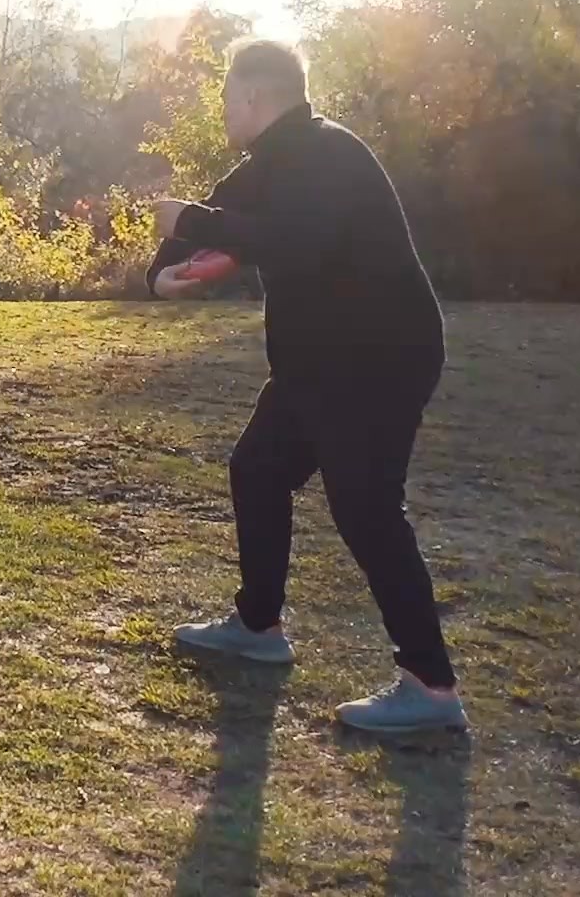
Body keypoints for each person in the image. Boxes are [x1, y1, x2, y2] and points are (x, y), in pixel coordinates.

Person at [147, 39, 464, 734]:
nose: (226, 109)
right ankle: (259, 626)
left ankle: (432, 687)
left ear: (254, 98)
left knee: (367, 507)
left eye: (229, 97)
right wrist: (162, 272)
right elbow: (221, 217)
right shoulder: (272, 162)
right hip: (319, 362)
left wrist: (192, 225)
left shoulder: (328, 155)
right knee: (257, 468)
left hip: (378, 358)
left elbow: (293, 240)